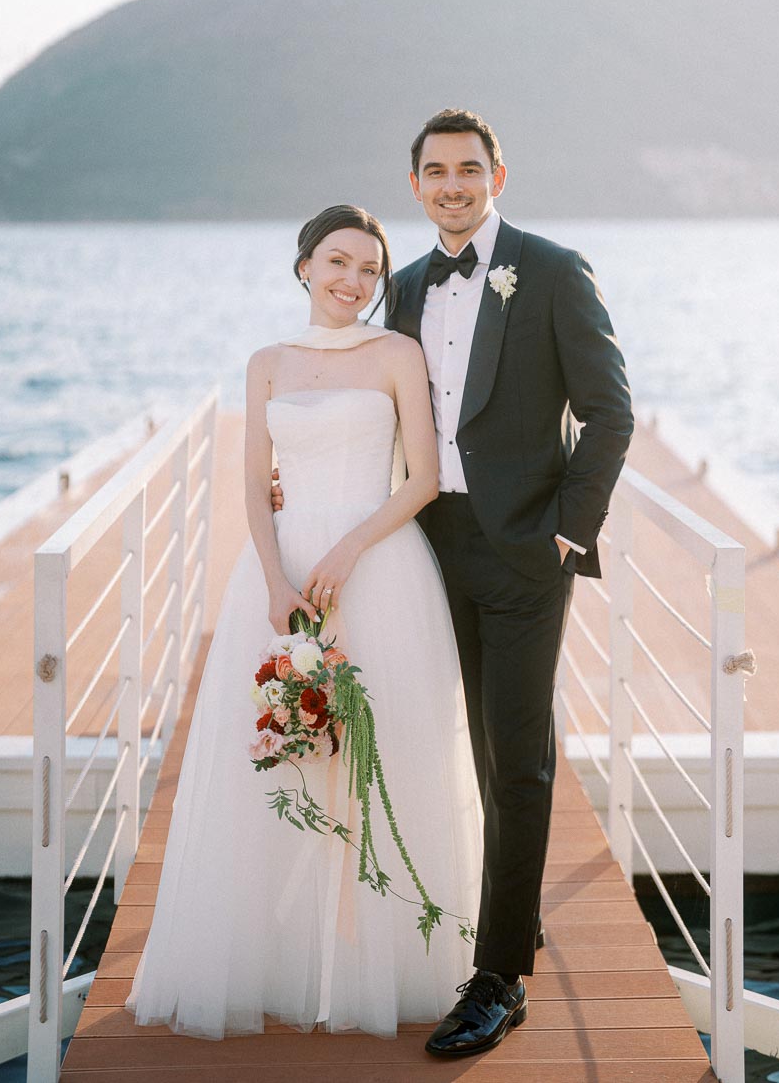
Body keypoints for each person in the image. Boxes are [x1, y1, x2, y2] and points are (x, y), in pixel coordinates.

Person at [277, 108, 634, 1058]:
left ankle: (501, 976)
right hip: (424, 550)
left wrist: (567, 535)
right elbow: (363, 407)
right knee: (457, 743)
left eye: (468, 169)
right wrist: (296, 474)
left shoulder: (553, 272)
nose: (452, 184)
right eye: (435, 171)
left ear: (498, 177)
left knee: (516, 759)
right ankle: (507, 913)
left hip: (524, 553)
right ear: (416, 186)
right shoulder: (396, 291)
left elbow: (610, 412)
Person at [124, 204, 483, 1040]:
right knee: (280, 759)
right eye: (337, 261)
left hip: (379, 565)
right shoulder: (267, 363)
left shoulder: (397, 352)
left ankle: (381, 958)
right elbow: (253, 481)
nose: (352, 281)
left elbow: (423, 477)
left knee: (382, 752)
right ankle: (282, 954)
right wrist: (278, 578)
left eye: (368, 268)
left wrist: (352, 549)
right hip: (278, 573)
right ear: (303, 266)